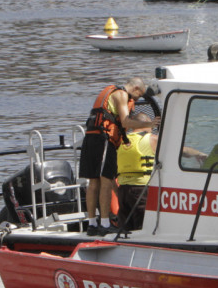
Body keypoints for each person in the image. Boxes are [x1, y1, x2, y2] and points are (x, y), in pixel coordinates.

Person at [79, 77, 152, 235]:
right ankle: (105, 224)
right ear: (136, 89)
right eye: (139, 96)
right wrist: (150, 125)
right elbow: (126, 122)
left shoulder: (109, 91)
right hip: (104, 140)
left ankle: (92, 224)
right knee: (105, 181)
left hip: (91, 138)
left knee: (93, 182)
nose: (137, 99)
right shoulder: (122, 94)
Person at [116, 114, 206, 232]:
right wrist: (199, 154)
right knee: (142, 229)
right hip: (141, 190)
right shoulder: (151, 139)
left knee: (125, 231)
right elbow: (181, 150)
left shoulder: (123, 141)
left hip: (123, 191)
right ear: (147, 125)